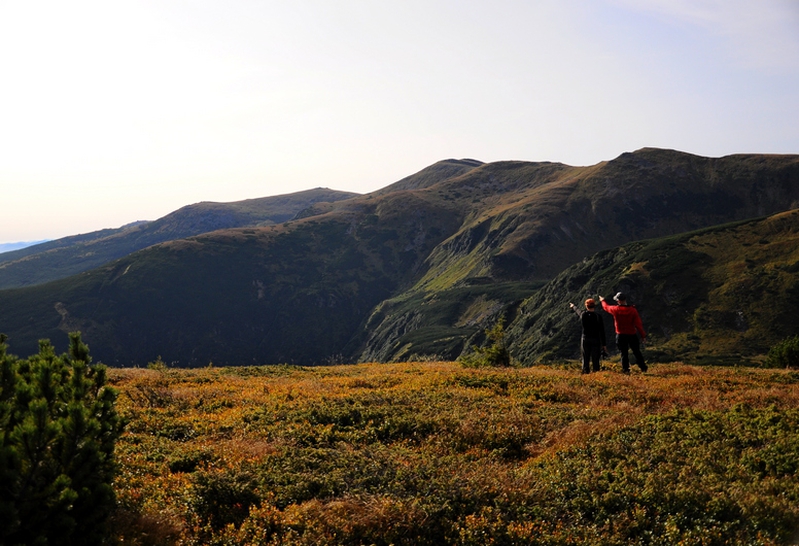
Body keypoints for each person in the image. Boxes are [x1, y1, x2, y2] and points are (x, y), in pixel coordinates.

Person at [599, 292, 647, 374]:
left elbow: (606, 307)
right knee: (636, 351)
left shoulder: (615, 309)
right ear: (625, 300)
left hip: (621, 334)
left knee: (623, 353)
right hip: (632, 334)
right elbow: (638, 325)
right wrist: (643, 336)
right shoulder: (633, 310)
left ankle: (626, 369)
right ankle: (643, 367)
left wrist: (602, 300)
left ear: (618, 301)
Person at [569, 298, 607, 374]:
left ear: (586, 306)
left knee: (585, 358)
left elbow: (578, 311)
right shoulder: (598, 316)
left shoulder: (584, 315)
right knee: (595, 358)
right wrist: (604, 344)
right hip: (596, 340)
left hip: (585, 339)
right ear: (594, 306)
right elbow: (602, 331)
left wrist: (573, 306)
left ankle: (585, 372)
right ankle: (596, 373)